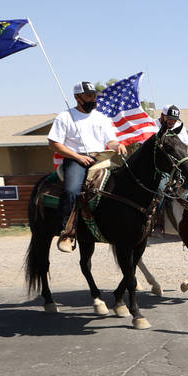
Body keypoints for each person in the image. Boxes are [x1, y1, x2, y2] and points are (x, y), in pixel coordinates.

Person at [46, 81, 126, 252]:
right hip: (75, 159)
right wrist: (77, 156)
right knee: (72, 190)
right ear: (77, 97)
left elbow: (110, 141)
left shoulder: (102, 118)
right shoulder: (65, 117)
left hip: (102, 159)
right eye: (89, 95)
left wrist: (117, 146)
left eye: (94, 95)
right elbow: (54, 143)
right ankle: (66, 232)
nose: (93, 99)